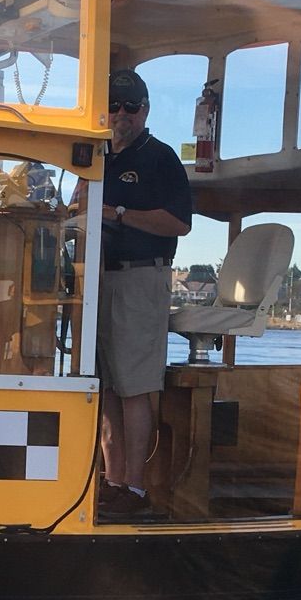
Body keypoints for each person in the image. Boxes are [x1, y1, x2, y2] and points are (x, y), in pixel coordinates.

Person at [93, 68, 191, 521]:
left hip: (140, 280)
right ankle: (112, 482)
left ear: (145, 111)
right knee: (107, 385)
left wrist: (121, 212)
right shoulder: (94, 157)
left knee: (134, 388)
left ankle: (135, 488)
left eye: (131, 107)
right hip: (99, 279)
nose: (121, 115)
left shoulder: (161, 158)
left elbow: (179, 223)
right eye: (114, 105)